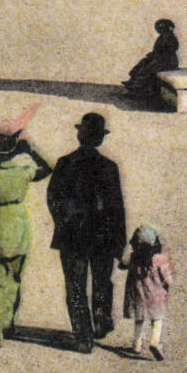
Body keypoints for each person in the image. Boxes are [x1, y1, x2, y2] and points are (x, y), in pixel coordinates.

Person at [0, 109, 53, 347]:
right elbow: (49, 167)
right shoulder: (23, 173)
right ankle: (10, 324)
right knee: (14, 279)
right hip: (19, 229)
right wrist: (31, 149)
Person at [47, 112, 127, 353]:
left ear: (80, 135)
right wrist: (119, 242)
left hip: (72, 235)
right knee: (102, 281)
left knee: (75, 286)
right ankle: (101, 323)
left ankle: (83, 336)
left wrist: (63, 222)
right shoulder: (109, 167)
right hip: (102, 236)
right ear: (100, 139)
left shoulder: (64, 163)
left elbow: (53, 200)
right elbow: (116, 207)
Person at [120, 225, 175, 360]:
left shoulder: (134, 258)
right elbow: (168, 279)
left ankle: (137, 344)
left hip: (138, 296)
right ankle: (155, 342)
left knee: (139, 320)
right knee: (157, 320)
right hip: (156, 297)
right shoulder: (160, 260)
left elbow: (122, 264)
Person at [123, 19, 179, 104]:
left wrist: (156, 55)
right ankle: (134, 87)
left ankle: (140, 91)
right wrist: (153, 55)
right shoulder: (163, 36)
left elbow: (168, 51)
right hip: (159, 59)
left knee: (147, 70)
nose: (157, 29)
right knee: (141, 65)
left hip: (167, 62)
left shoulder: (170, 37)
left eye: (159, 27)